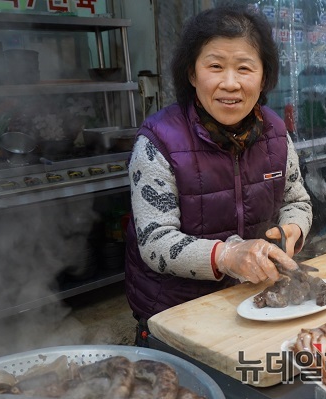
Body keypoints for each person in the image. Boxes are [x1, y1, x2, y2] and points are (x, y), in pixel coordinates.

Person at [125, 4, 312, 346]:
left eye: (244, 68)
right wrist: (227, 256)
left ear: (264, 76)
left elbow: (296, 199)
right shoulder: (157, 141)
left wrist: (290, 231)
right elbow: (154, 241)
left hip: (256, 304)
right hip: (177, 316)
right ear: (192, 74)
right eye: (215, 66)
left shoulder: (274, 131)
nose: (230, 83)